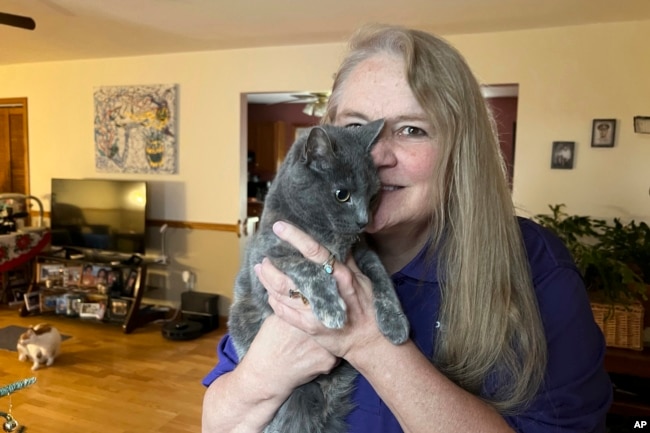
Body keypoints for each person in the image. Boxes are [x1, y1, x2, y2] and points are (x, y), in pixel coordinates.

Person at [202, 24, 612, 432]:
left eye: (412, 130)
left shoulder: (535, 265)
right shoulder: (293, 246)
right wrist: (263, 373)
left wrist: (369, 343)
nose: (375, 156)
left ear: (459, 151)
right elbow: (217, 424)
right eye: (355, 128)